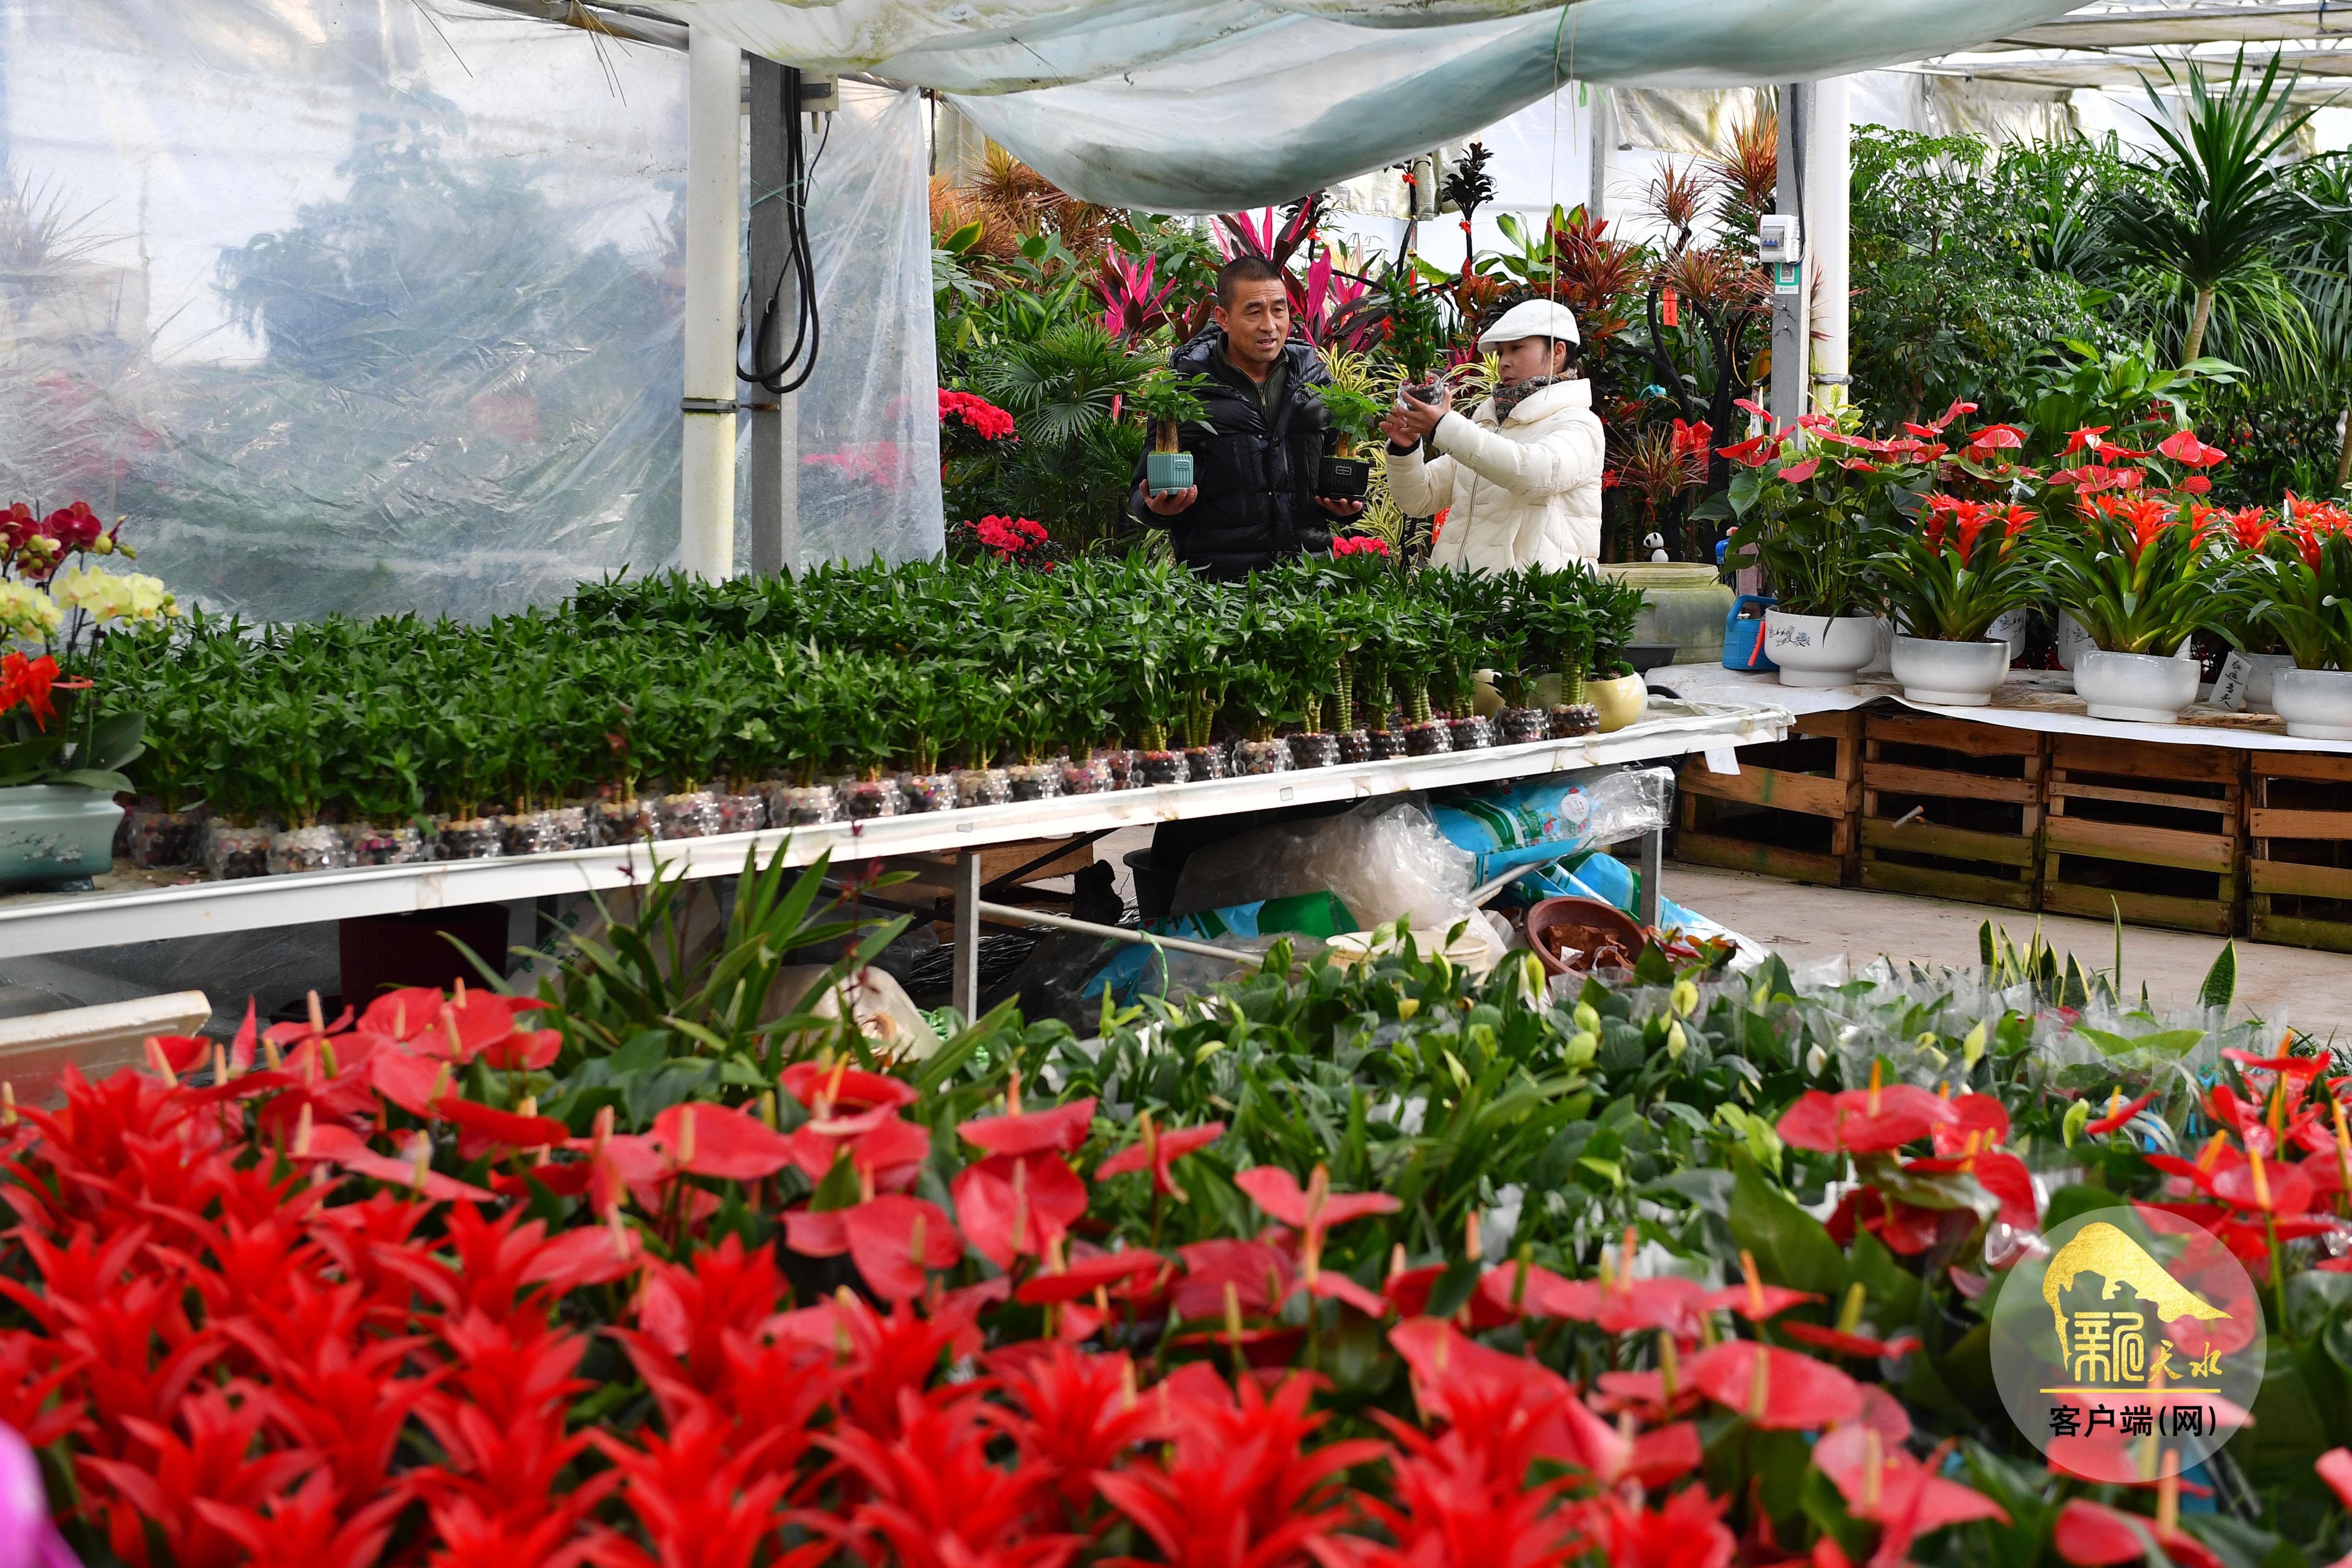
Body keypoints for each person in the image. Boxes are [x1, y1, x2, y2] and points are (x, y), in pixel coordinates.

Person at [1130, 255, 1364, 578]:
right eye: (1254, 312)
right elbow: (1141, 492)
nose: (1269, 325)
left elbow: (1340, 476)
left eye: (1279, 310)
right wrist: (1157, 509)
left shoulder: (1316, 381)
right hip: (1218, 586)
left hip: (1309, 579)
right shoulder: (1184, 388)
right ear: (1223, 318)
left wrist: (1347, 507)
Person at [1381, 298, 1604, 570]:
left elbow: (1535, 473)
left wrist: (1444, 426)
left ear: (1558, 352)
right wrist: (1405, 449)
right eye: (1500, 353)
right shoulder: (1485, 426)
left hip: (1532, 594)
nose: (1504, 363)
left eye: (1516, 348)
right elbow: (1420, 500)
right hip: (1461, 592)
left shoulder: (1580, 423)